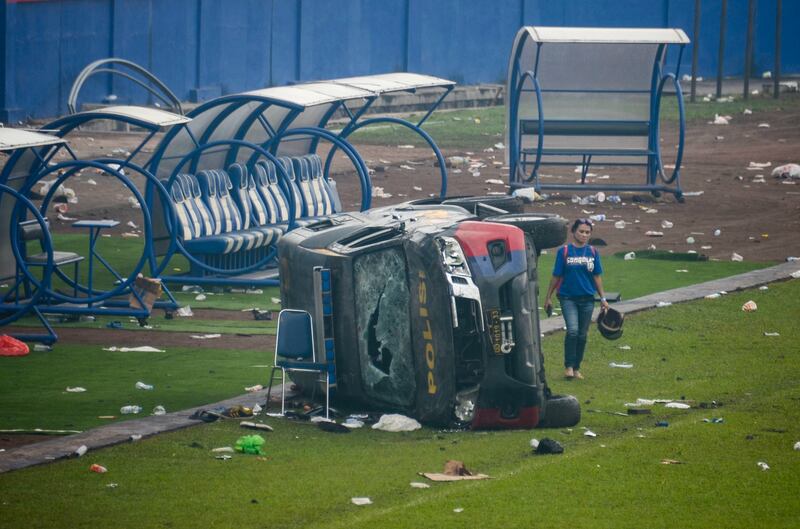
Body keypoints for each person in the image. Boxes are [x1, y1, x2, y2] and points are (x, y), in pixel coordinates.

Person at [543, 218, 609, 380]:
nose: (584, 235)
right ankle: (568, 367)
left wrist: (603, 298)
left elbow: (597, 276)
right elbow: (556, 275)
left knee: (582, 335)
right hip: (567, 298)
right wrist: (548, 297)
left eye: (587, 232)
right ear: (573, 232)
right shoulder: (564, 252)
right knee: (572, 331)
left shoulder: (593, 252)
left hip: (587, 299)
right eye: (581, 231)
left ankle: (577, 368)